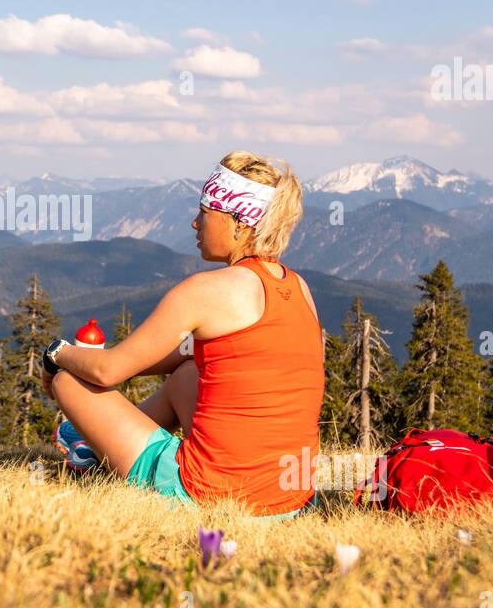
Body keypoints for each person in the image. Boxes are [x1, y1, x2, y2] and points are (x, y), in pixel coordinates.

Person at [43, 151, 324, 519]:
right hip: (292, 500)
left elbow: (107, 372)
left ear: (238, 222)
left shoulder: (205, 291)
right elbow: (193, 355)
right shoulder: (299, 288)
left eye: (205, 212)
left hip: (207, 495)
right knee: (189, 372)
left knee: (68, 382)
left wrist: (57, 355)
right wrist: (126, 362)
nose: (195, 224)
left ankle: (91, 451)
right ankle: (95, 448)